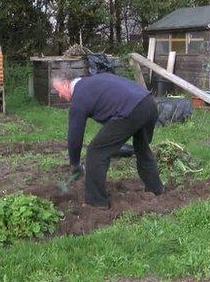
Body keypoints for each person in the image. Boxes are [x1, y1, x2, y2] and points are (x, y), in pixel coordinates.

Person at [52, 72, 164, 208]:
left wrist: (75, 164)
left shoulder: (79, 97)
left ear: (65, 84)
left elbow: (75, 136)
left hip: (131, 110)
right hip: (148, 104)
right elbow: (113, 113)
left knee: (95, 151)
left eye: (58, 91)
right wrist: (116, 146)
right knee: (142, 149)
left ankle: (96, 202)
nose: (59, 95)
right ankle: (156, 189)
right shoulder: (94, 82)